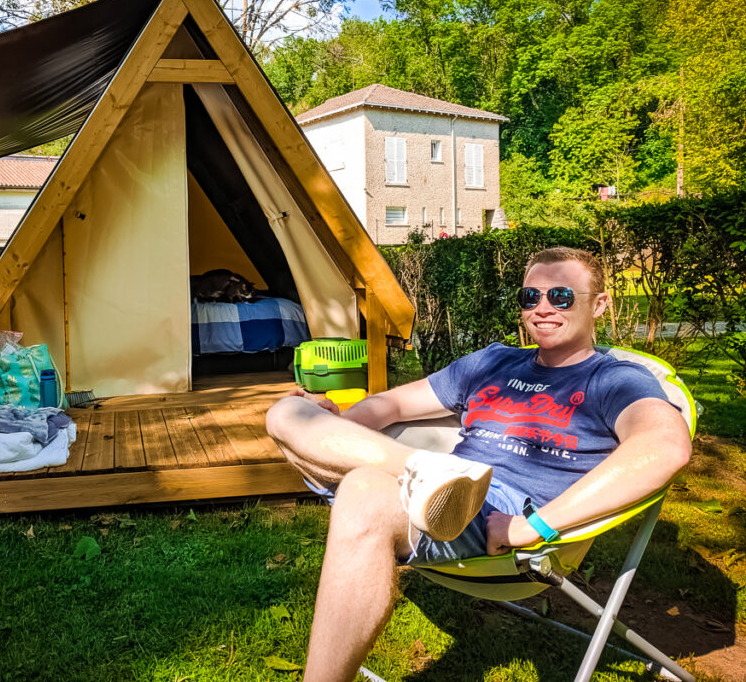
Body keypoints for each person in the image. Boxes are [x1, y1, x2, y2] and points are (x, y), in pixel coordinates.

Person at [265, 247, 692, 682]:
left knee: (362, 493)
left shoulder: (614, 379)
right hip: (437, 483)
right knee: (285, 412)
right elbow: (391, 403)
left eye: (561, 296)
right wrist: (339, 430)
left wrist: (536, 525)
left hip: (502, 509)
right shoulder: (494, 361)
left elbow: (665, 447)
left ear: (599, 304)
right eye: (531, 297)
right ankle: (429, 474)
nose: (542, 309)